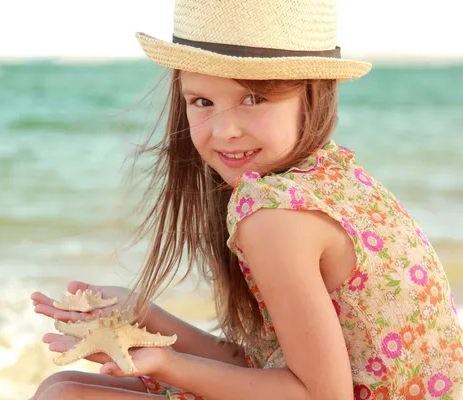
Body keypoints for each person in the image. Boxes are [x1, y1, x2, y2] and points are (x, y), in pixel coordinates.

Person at [30, 0, 463, 398]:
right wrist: (146, 317)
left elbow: (321, 397)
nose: (224, 129)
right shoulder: (333, 172)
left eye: (253, 98)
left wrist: (168, 364)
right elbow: (268, 365)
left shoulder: (274, 214)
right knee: (62, 383)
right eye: (202, 101)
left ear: (312, 94)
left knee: (67, 396)